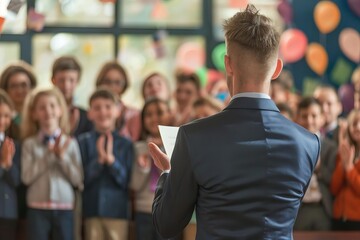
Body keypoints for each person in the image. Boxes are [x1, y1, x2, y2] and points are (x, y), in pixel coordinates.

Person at [148, 5, 320, 239]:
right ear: (277, 68)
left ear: (228, 64)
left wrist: (169, 172)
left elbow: (167, 225)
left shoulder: (193, 137)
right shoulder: (308, 143)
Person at [21, 88, 83, 240]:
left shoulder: (71, 143)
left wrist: (61, 157)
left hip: (65, 208)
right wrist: (48, 155)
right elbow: (26, 177)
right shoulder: (29, 144)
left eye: (52, 106)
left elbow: (78, 179)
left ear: (61, 110)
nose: (48, 111)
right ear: (34, 114)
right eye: (42, 107)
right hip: (37, 208)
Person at [78, 88, 134, 240]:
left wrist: (111, 161)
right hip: (91, 211)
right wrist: (99, 161)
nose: (103, 112)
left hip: (117, 212)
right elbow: (81, 179)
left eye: (108, 107)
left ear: (117, 111)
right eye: (97, 108)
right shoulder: (83, 142)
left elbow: (126, 181)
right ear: (90, 113)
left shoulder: (126, 144)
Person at [130, 98, 173, 240]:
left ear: (170, 114)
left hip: (169, 210)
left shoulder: (176, 145)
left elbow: (178, 181)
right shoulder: (138, 147)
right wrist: (144, 168)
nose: (154, 118)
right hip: (144, 209)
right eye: (148, 115)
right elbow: (135, 185)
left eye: (160, 112)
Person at [294, 97, 337, 231]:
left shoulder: (330, 147)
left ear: (322, 118)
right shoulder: (292, 146)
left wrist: (318, 168)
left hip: (322, 207)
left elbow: (334, 182)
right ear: (297, 118)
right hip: (299, 208)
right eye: (304, 116)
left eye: (314, 116)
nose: (309, 121)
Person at [95, 61, 141, 141]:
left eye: (117, 82)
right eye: (107, 81)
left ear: (124, 85)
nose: (112, 87)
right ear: (100, 83)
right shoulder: (93, 113)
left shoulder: (134, 114)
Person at [330, 110, 360, 230]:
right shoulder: (343, 152)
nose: (357, 127)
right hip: (339, 217)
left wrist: (349, 168)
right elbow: (334, 188)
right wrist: (343, 162)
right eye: (354, 123)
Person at [51, 56, 93, 137]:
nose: (66, 85)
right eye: (61, 80)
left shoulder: (87, 117)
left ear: (78, 81)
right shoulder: (45, 114)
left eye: (71, 80)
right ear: (53, 80)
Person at [0, 90, 20, 240]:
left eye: (6, 116)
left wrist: (8, 164)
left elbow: (18, 180)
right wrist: (3, 165)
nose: (2, 121)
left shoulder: (12, 144)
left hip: (8, 211)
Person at [0, 61, 37, 141]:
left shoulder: (38, 113)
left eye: (23, 85)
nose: (19, 90)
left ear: (31, 87)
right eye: (13, 86)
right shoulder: (3, 118)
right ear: (5, 89)